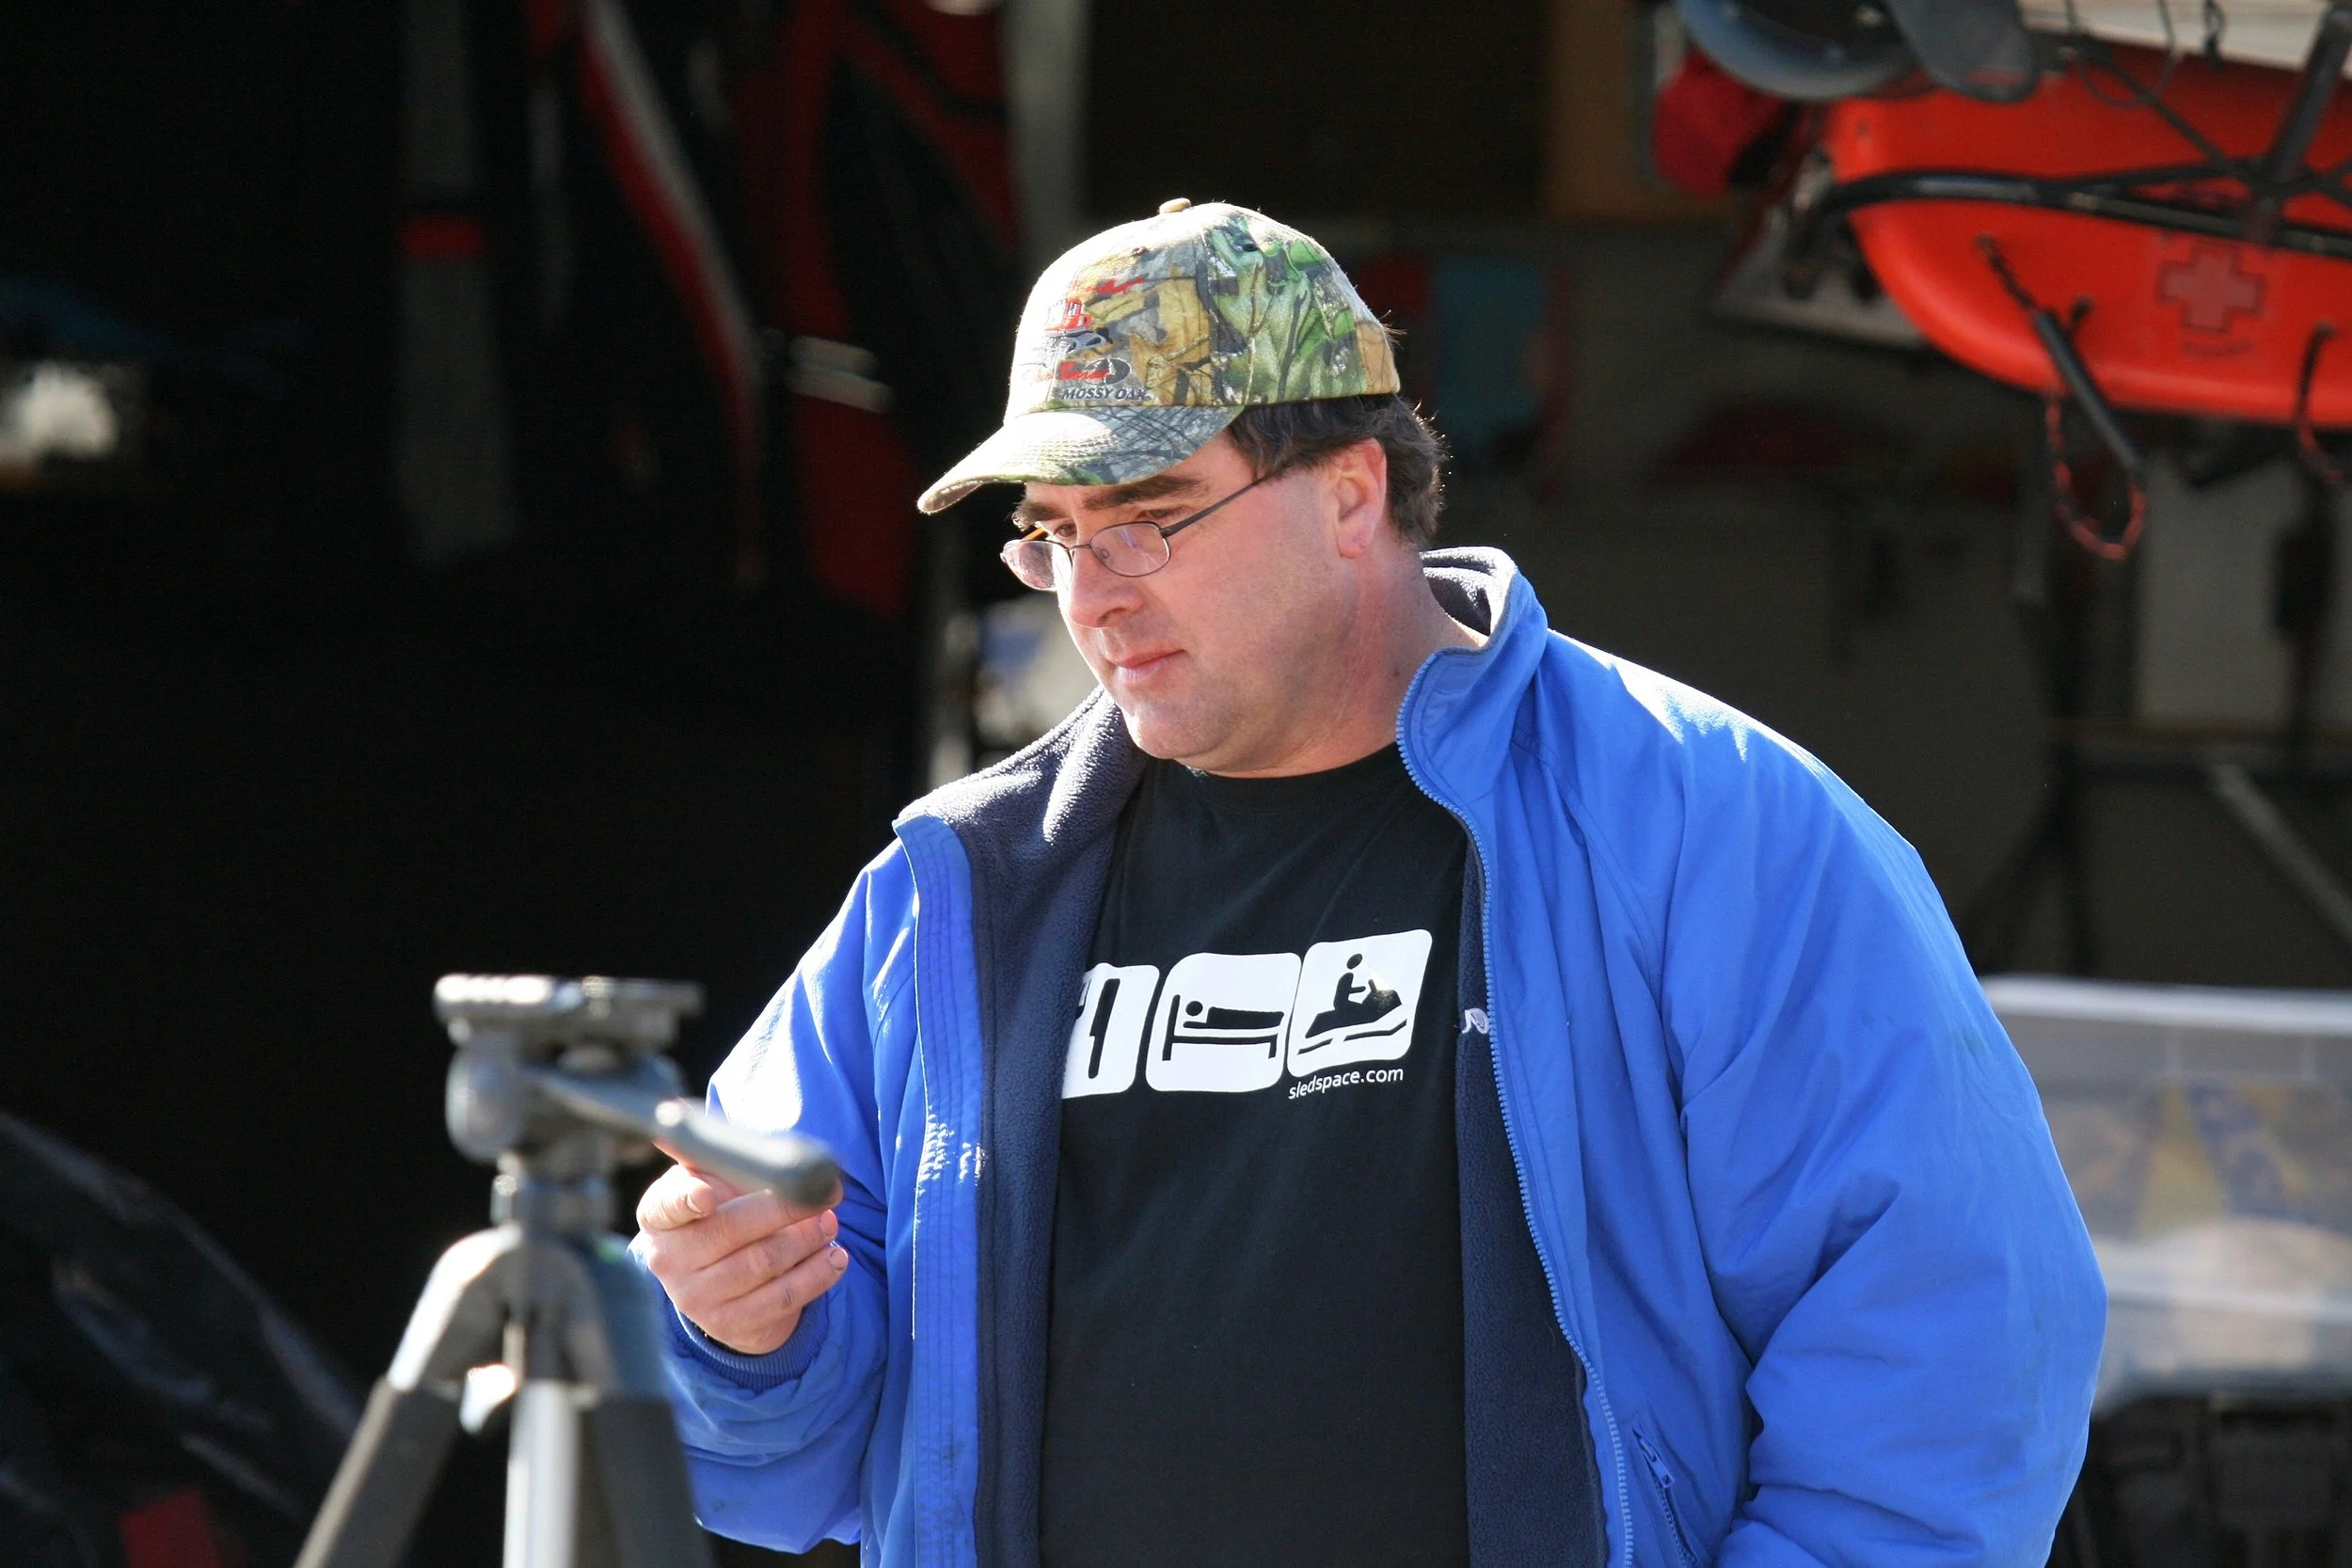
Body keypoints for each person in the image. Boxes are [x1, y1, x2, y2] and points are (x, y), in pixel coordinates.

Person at [631, 199, 2106, 1567]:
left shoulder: (1705, 824)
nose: (1093, 589)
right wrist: (734, 1331)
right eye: (1054, 534)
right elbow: (773, 1462)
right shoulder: (959, 889)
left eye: (1148, 512)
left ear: (1351, 492)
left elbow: (1952, 1343)